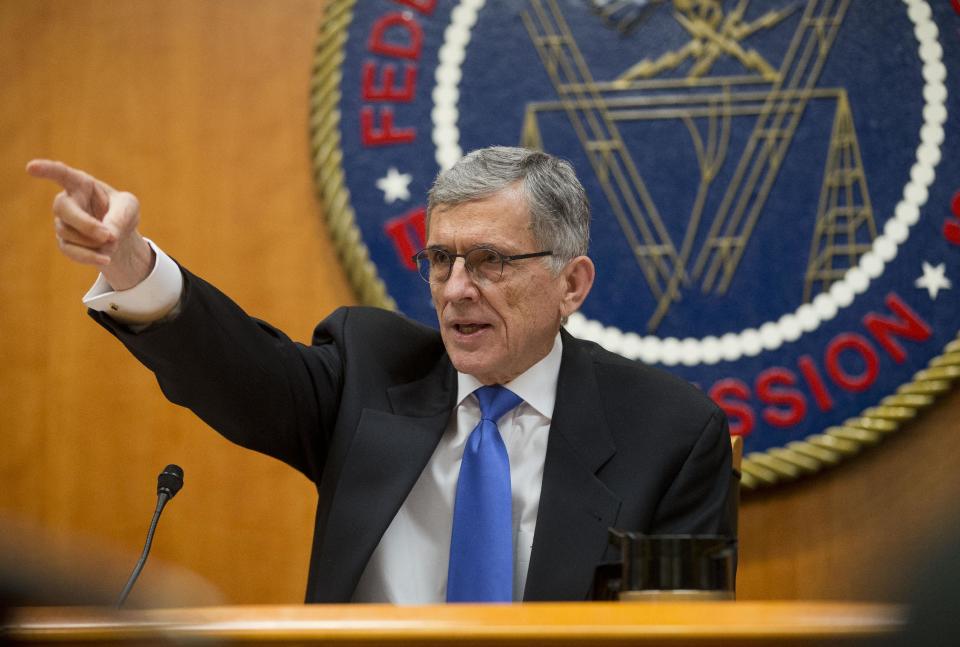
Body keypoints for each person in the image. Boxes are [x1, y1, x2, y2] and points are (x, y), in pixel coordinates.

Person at [26, 146, 733, 604]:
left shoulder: (670, 433)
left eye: (490, 262)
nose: (456, 289)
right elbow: (235, 367)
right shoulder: (369, 373)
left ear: (571, 283)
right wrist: (131, 267)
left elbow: (685, 633)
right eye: (439, 260)